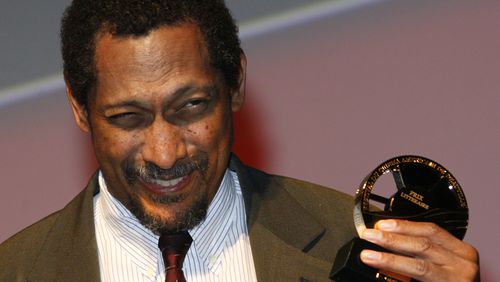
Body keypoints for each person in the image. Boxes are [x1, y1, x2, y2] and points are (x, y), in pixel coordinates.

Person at [0, 0, 479, 281]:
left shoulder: (354, 244)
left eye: (191, 107)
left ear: (236, 86)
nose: (166, 154)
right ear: (79, 108)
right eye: (128, 118)